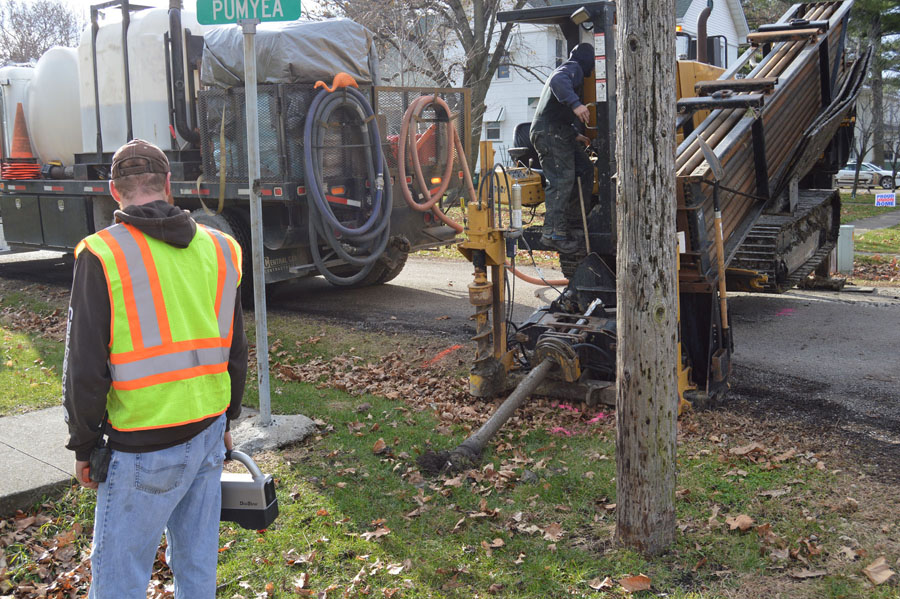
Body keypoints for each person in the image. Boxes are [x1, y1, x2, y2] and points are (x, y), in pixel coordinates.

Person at [62, 139, 248, 598]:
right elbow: (234, 349)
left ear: (113, 190)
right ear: (169, 184)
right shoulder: (222, 249)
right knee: (197, 567)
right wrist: (228, 418)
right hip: (207, 434)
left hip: (140, 448)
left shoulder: (102, 254)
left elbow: (84, 367)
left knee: (119, 581)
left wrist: (83, 443)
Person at [530, 42, 596, 254]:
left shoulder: (573, 70)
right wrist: (576, 104)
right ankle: (553, 234)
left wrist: (574, 133)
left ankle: (574, 222)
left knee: (585, 169)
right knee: (561, 180)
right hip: (550, 133)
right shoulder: (572, 68)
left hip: (559, 131)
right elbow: (558, 82)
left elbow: (557, 110)